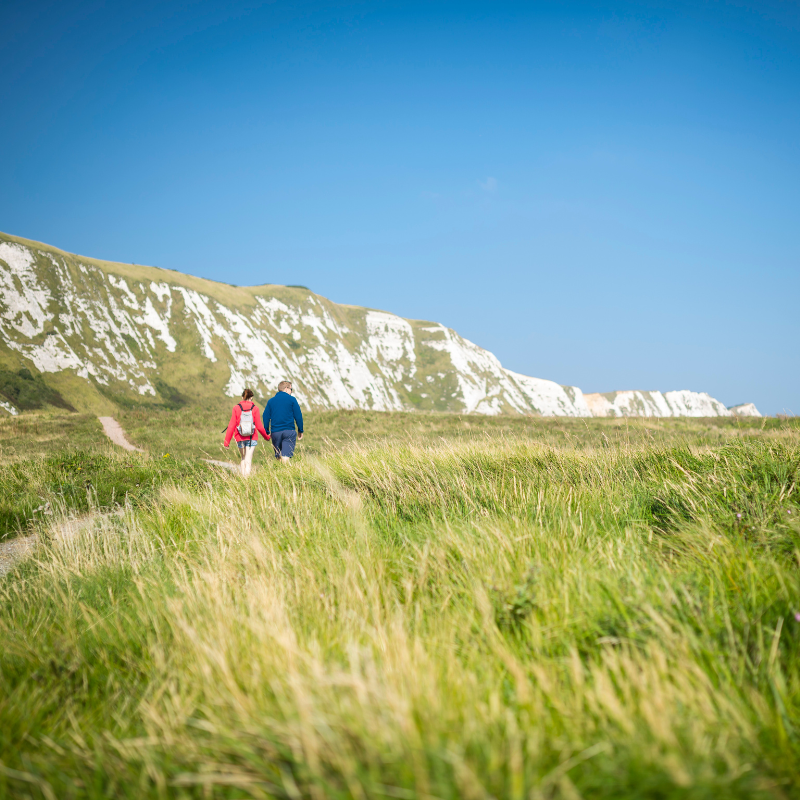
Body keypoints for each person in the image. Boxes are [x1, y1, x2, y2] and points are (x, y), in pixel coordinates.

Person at [223, 388, 270, 477]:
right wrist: (266, 437)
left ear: (242, 397)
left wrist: (226, 442)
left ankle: (243, 477)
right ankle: (247, 479)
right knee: (248, 459)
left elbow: (231, 425)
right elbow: (259, 426)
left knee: (243, 458)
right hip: (252, 437)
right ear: (251, 397)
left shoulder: (236, 408)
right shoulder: (255, 408)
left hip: (239, 437)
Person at [263, 380, 303, 463]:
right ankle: (286, 473)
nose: (291, 392)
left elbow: (265, 417)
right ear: (286, 389)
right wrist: (300, 430)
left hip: (275, 433)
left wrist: (267, 431)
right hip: (289, 431)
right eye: (291, 389)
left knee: (279, 456)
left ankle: (281, 471)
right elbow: (298, 416)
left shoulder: (271, 401)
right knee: (285, 455)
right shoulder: (292, 400)